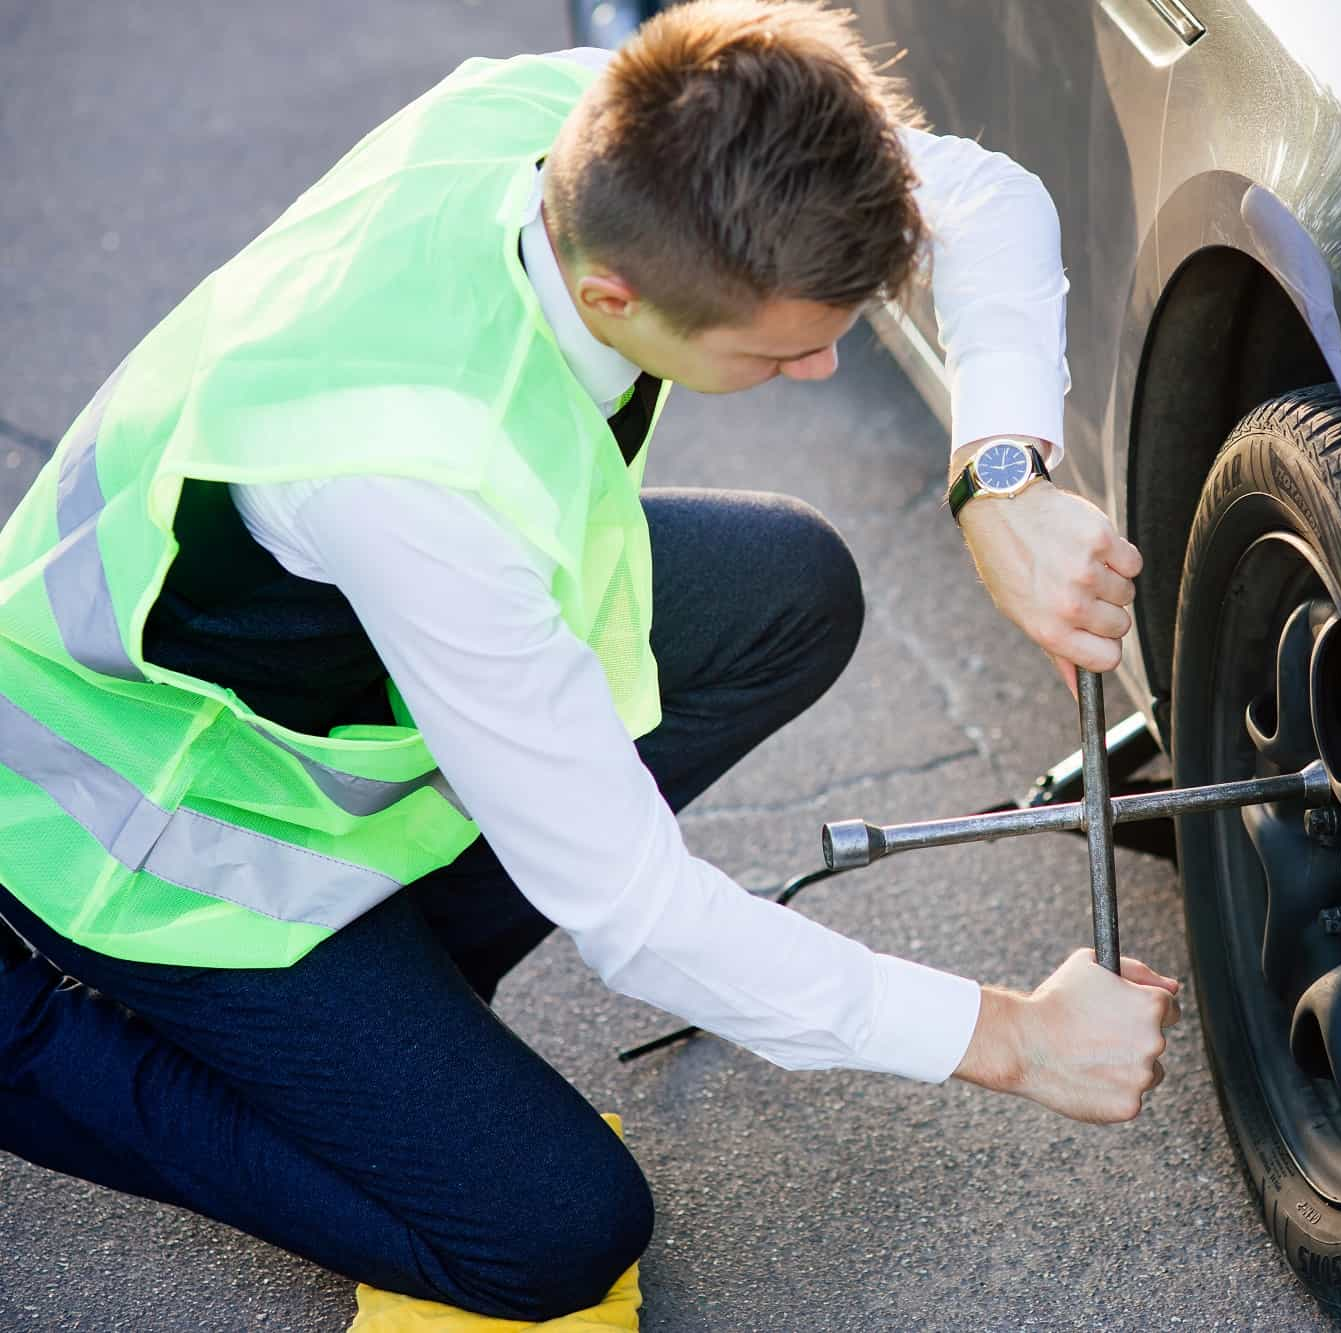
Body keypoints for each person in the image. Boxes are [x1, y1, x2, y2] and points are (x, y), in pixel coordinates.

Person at [0, 2, 1180, 1325]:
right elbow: (640, 916)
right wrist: (1013, 1040)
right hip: (143, 812)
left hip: (337, 686)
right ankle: (49, 1039)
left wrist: (1001, 477)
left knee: (791, 588)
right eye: (780, 347)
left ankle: (394, 1008)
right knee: (553, 1232)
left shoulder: (597, 121)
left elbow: (983, 195)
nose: (821, 365)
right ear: (617, 294)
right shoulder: (415, 483)